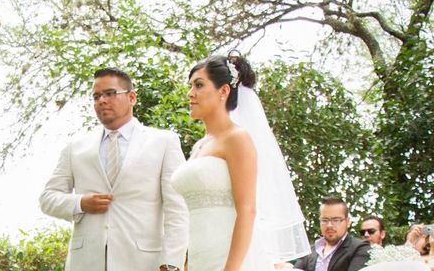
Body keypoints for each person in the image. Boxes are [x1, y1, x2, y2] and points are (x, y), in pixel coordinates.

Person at [39, 67, 188, 271]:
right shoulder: (76, 146)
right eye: (96, 96)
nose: (102, 101)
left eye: (110, 93)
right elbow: (47, 198)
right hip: (86, 263)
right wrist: (80, 203)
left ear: (132, 97)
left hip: (144, 263)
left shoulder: (163, 142)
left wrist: (171, 263)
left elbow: (177, 208)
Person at [171, 54, 310, 271]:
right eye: (190, 86)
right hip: (200, 259)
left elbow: (247, 210)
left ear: (224, 91)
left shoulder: (237, 138)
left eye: (198, 85)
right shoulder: (200, 146)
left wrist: (231, 269)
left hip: (232, 259)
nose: (190, 94)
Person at [294, 196, 370, 271]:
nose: (329, 225)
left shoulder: (360, 248)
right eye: (325, 220)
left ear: (348, 222)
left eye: (336, 220)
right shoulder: (309, 252)